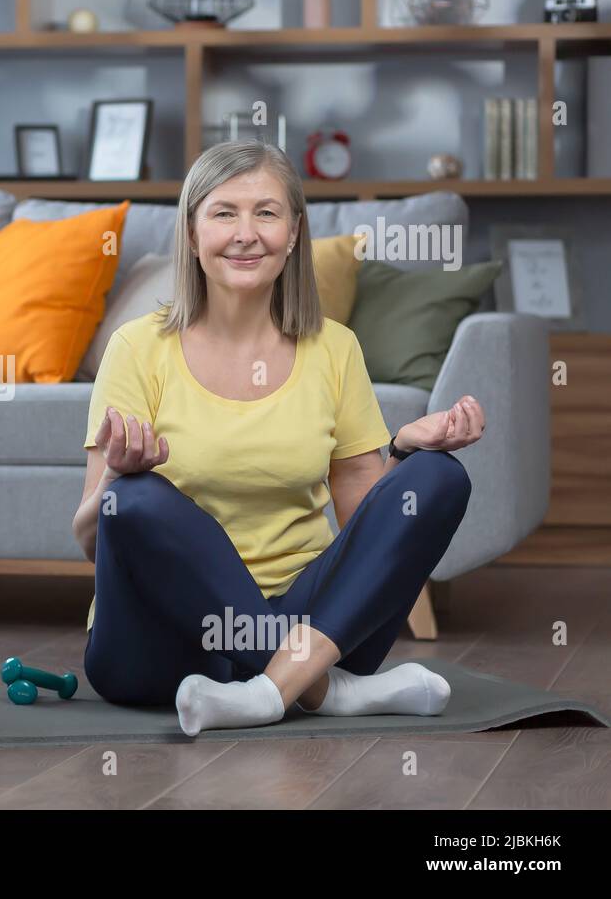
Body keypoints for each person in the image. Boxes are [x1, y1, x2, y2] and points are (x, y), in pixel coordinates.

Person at [72, 139, 483, 737]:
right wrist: (115, 477)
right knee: (134, 497)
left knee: (438, 475)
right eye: (223, 213)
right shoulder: (137, 348)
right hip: (160, 649)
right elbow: (90, 540)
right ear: (191, 234)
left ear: (293, 233)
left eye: (266, 213)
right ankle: (318, 690)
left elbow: (366, 525)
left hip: (313, 623)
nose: (246, 233)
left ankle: (268, 691)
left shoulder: (335, 348)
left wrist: (402, 452)